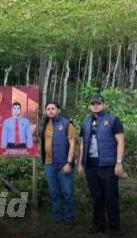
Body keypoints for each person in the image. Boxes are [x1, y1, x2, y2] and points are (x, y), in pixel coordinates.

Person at [78, 94, 125, 234]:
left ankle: (114, 229)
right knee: (97, 197)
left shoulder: (113, 120)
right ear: (89, 106)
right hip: (91, 167)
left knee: (111, 198)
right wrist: (80, 163)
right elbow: (82, 144)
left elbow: (121, 141)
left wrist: (119, 162)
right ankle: (99, 225)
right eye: (93, 103)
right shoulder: (85, 122)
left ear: (103, 105)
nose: (95, 105)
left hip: (108, 166)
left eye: (98, 103)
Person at [40, 101, 76, 228]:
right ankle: (58, 218)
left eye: (53, 108)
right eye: (48, 109)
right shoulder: (44, 125)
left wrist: (69, 163)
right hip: (49, 165)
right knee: (54, 193)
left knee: (67, 193)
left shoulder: (67, 124)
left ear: (58, 110)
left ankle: (69, 219)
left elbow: (72, 144)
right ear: (45, 111)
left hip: (64, 164)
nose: (50, 111)